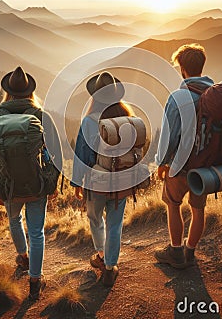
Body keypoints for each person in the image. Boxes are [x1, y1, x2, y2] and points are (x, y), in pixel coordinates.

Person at [0, 66, 62, 300]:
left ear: (7, 92)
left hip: (7, 185)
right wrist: (52, 183)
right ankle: (35, 281)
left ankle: (22, 257)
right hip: (36, 184)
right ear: (29, 92)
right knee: (36, 232)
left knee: (14, 220)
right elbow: (56, 153)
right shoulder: (40, 114)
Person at [71, 72, 134, 287]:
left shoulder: (90, 121)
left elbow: (83, 155)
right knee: (115, 224)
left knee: (95, 219)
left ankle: (101, 255)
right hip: (122, 181)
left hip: (96, 183)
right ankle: (110, 267)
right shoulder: (126, 117)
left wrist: (77, 182)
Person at [154, 44, 214, 269]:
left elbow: (170, 134)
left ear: (182, 69)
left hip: (181, 165)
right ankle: (190, 252)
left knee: (173, 204)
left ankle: (176, 251)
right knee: (198, 209)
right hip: (206, 166)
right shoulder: (215, 93)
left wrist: (162, 162)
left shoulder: (179, 96)